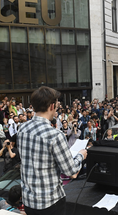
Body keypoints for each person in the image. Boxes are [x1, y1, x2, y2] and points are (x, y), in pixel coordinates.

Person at [17, 86, 87, 215]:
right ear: (51, 106)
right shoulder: (55, 135)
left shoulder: (22, 128)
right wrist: (81, 155)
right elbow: (71, 171)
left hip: (29, 201)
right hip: (50, 202)